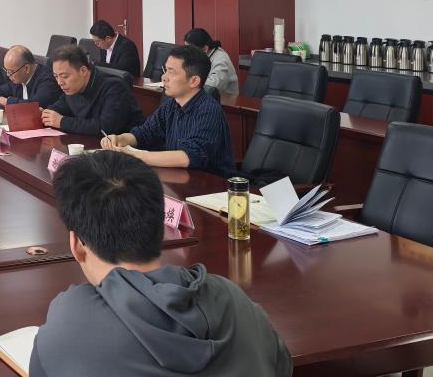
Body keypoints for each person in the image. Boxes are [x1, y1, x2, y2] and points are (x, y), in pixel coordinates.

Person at [30, 152, 292, 377]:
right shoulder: (235, 302)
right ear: (160, 228)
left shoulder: (71, 322)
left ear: (76, 244)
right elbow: (282, 365)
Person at [101, 46, 235, 178]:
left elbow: (191, 156)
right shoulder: (171, 105)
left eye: (172, 72)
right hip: (180, 178)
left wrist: (139, 155)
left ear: (194, 81)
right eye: (165, 70)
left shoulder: (208, 110)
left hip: (212, 184)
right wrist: (119, 139)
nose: (164, 77)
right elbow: (144, 133)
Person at [41, 45, 144, 134]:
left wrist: (62, 122)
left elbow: (105, 128)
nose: (60, 82)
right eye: (56, 76)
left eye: (64, 76)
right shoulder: (72, 87)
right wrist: (45, 113)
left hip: (126, 146)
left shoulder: (114, 87)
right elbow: (59, 107)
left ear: (83, 71)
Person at [0, 45, 62, 109]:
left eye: (11, 71)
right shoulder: (19, 77)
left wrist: (8, 102)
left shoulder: (47, 79)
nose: (8, 75)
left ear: (26, 68)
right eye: (6, 70)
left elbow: (36, 104)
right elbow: (6, 88)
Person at [184, 27, 239, 95]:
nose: (188, 52)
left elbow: (213, 86)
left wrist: (189, 84)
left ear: (205, 48)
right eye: (186, 48)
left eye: (191, 49)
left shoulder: (221, 58)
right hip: (204, 96)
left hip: (226, 98)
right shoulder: (200, 56)